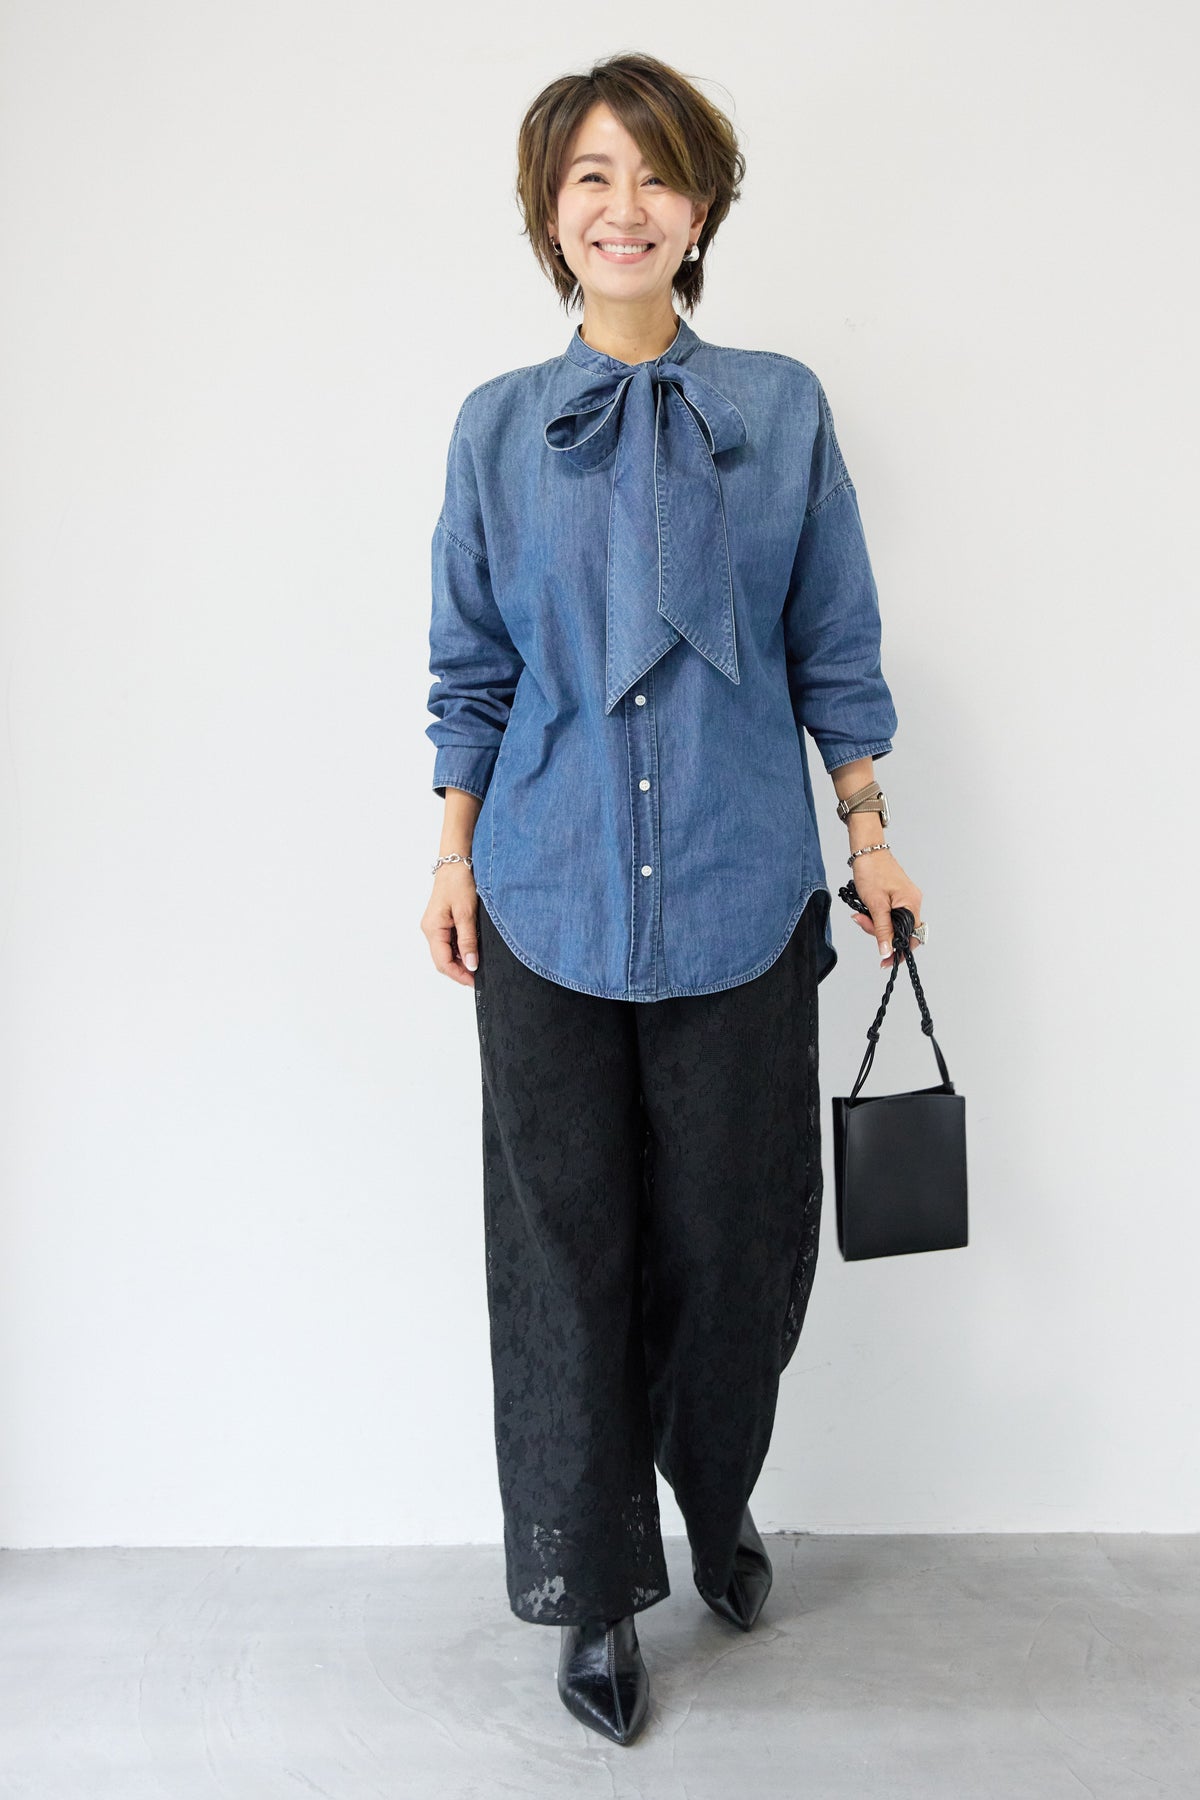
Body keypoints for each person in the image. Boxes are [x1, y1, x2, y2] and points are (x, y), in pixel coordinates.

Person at [420, 52, 925, 1747]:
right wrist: (449, 855)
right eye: (590, 177)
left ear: (700, 208)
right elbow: (471, 669)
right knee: (565, 1259)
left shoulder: (781, 409)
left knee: (733, 1246)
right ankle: (596, 1589)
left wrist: (868, 833)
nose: (622, 206)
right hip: (545, 896)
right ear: (550, 215)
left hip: (740, 893)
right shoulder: (498, 429)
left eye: (653, 175)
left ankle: (714, 1495)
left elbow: (832, 642)